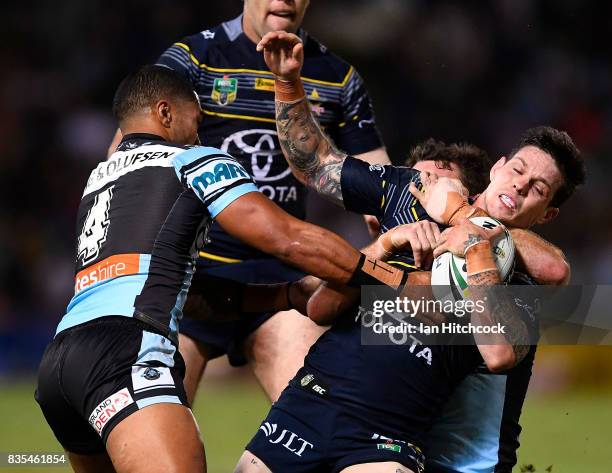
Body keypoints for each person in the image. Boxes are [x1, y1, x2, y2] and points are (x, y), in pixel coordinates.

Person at [231, 31, 585, 472]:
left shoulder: (520, 270)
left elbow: (554, 270)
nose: (519, 185)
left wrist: (461, 219)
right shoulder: (413, 190)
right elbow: (316, 163)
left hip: (454, 458)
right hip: (329, 410)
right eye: (517, 170)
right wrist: (287, 83)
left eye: (538, 189)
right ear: (497, 167)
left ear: (547, 214)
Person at [35, 65, 414, 473]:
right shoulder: (193, 161)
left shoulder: (99, 180)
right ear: (165, 113)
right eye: (197, 122)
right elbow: (288, 238)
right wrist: (396, 280)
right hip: (125, 354)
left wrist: (284, 296)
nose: (201, 135)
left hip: (60, 366)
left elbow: (187, 292)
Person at [107, 0, 391, 405]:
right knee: (147, 425)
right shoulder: (194, 59)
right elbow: (126, 156)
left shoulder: (337, 77)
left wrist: (399, 215)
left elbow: (374, 176)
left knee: (319, 417)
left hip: (281, 281)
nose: (283, 1)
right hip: (191, 278)